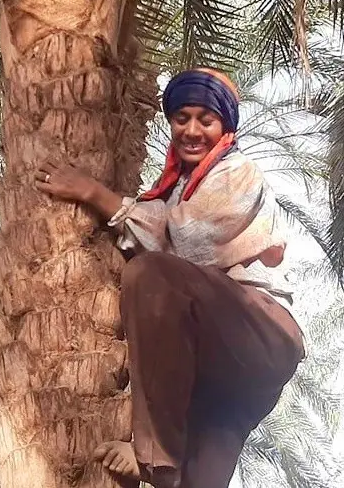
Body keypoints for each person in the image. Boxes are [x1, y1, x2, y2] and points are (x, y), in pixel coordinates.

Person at [34, 68, 305, 488]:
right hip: (223, 382)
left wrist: (95, 194)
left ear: (225, 127)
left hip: (259, 333)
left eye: (205, 120)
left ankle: (154, 456)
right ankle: (163, 468)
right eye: (181, 118)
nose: (192, 131)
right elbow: (158, 230)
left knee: (151, 275)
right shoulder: (172, 191)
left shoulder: (238, 172)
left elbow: (189, 239)